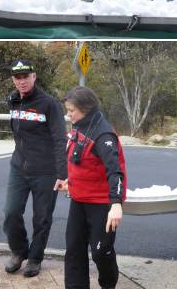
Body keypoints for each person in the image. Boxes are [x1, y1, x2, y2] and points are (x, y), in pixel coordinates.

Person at [3, 59, 68, 278]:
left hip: (45, 171)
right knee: (11, 212)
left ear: (34, 76)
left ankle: (34, 259)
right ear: (13, 79)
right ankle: (19, 251)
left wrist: (62, 174)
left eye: (25, 77)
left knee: (41, 218)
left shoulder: (49, 104)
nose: (21, 81)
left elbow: (60, 139)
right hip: (18, 168)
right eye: (17, 77)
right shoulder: (13, 101)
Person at [59, 86, 127, 289]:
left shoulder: (103, 134)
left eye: (71, 110)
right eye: (68, 110)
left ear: (85, 108)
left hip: (101, 204)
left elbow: (115, 171)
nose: (68, 114)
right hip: (78, 202)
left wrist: (116, 204)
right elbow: (80, 161)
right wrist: (69, 181)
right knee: (74, 250)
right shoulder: (79, 125)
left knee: (100, 251)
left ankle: (108, 284)